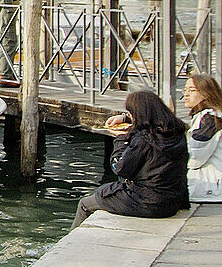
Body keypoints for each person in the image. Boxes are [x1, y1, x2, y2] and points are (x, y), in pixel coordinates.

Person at [75, 90, 189, 228]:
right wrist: (124, 119)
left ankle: (66, 248)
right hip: (173, 201)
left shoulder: (143, 141)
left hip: (147, 202)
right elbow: (147, 121)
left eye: (130, 114)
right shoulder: (177, 133)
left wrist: (120, 139)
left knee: (85, 204)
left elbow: (120, 168)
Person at [182, 74, 222, 202]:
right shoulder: (207, 116)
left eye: (192, 90)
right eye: (185, 90)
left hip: (210, 188)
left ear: (206, 93)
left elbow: (194, 159)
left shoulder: (210, 119)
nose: (186, 94)